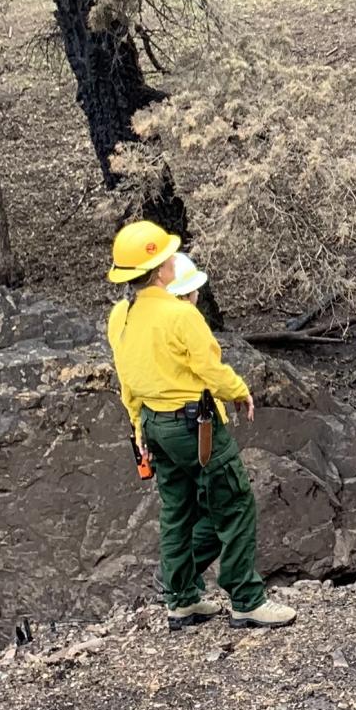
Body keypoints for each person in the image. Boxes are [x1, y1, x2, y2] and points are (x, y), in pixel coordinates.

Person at [104, 220, 296, 631]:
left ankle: (182, 600)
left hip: (155, 425)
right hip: (194, 426)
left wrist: (138, 423)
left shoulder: (120, 315)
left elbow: (127, 378)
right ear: (159, 270)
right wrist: (240, 391)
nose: (175, 260)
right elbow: (210, 369)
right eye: (169, 256)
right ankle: (246, 599)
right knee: (235, 501)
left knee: (177, 510)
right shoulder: (180, 315)